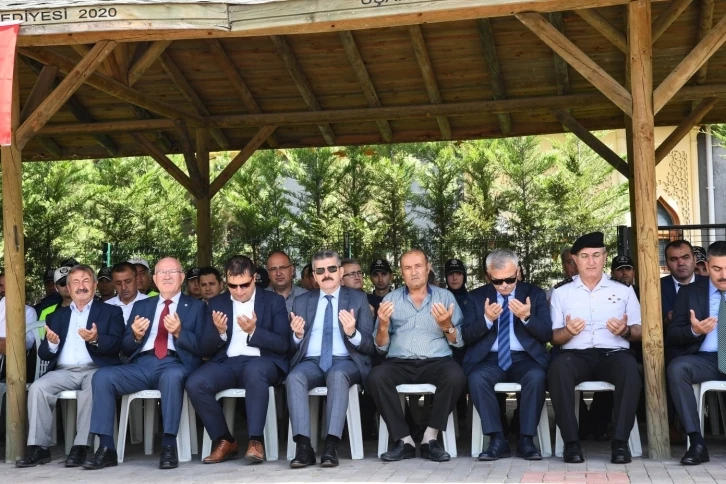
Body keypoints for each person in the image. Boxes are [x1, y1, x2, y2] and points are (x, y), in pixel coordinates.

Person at [85, 257, 205, 470]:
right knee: (102, 377)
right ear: (155, 279)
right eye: (162, 273)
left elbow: (203, 347)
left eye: (172, 272)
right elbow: (126, 347)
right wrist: (136, 336)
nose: (167, 277)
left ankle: (169, 445)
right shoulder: (143, 305)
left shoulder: (196, 306)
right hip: (140, 364)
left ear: (182, 277)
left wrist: (179, 332)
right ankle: (106, 448)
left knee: (172, 376)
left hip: (174, 362)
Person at [15, 265, 125, 468]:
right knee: (38, 388)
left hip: (96, 369)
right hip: (64, 371)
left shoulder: (111, 311)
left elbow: (119, 345)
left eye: (85, 281)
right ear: (67, 287)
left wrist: (96, 339)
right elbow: (44, 354)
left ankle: (80, 447)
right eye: (75, 282)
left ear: (94, 285)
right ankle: (39, 448)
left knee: (93, 387)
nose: (80, 286)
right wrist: (53, 344)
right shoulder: (57, 316)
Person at [548, 232, 642, 465]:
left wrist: (625, 331)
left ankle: (620, 443)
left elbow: (641, 330)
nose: (591, 261)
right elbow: (553, 338)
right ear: (575, 260)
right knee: (558, 368)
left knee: (631, 370)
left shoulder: (623, 290)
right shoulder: (561, 292)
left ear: (604, 257)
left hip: (613, 354)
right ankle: (571, 443)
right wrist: (568, 332)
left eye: (596, 255)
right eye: (585, 256)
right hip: (575, 356)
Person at [187, 256, 289, 464]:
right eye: (233, 286)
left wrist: (254, 332)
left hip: (263, 362)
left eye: (244, 284)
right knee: (195, 383)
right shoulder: (217, 302)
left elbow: (283, 344)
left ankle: (255, 441)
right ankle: (225, 440)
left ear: (254, 279)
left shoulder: (273, 301)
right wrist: (220, 333)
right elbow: (204, 348)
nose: (239, 290)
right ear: (226, 282)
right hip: (228, 363)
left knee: (254, 370)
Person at [368, 249, 466, 462]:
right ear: (401, 273)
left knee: (456, 376)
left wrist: (447, 326)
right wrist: (383, 326)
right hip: (399, 363)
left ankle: (430, 438)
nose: (413, 272)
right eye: (407, 268)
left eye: (418, 266)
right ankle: (404, 440)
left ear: (428, 268)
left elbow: (459, 341)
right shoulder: (391, 300)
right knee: (376, 377)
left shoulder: (445, 297)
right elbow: (380, 347)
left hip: (436, 362)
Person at [287, 249, 374, 468]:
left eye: (332, 269)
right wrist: (297, 336)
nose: (327, 274)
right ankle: (304, 447)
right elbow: (290, 347)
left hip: (346, 361)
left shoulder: (357, 298)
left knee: (337, 374)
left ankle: (331, 445)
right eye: (320, 270)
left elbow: (370, 346)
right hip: (311, 362)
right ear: (314, 276)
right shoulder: (301, 301)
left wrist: (352, 332)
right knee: (294, 377)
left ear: (341, 271)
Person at [463, 249, 551, 461]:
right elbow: (466, 336)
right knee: (476, 378)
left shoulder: (534, 294)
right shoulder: (476, 297)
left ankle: (526, 440)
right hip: (490, 359)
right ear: (488, 275)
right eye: (498, 281)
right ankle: (497, 439)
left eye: (510, 279)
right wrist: (486, 320)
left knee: (537, 376)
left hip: (524, 358)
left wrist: (526, 316)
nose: (504, 285)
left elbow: (547, 333)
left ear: (518, 271)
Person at [666, 241, 726, 465]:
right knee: (677, 368)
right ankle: (697, 443)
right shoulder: (690, 292)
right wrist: (694, 330)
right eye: (717, 269)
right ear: (707, 266)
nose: (723, 275)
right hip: (706, 359)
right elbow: (673, 335)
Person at [662, 240, 706, 326]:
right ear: (667, 263)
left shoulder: (710, 284)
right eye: (674, 259)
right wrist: (666, 320)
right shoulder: (656, 288)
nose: (681, 263)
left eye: (686, 257)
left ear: (694, 259)